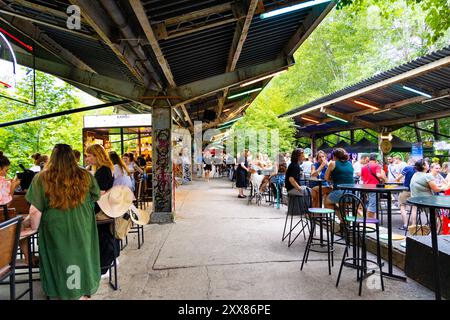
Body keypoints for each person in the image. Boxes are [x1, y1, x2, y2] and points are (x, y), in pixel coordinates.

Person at [26, 144, 101, 300]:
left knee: (61, 261)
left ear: (52, 158)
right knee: (80, 258)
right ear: (72, 158)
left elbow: (34, 211)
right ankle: (80, 294)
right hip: (82, 225)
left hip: (56, 228)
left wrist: (33, 227)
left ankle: (69, 294)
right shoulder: (85, 175)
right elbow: (95, 196)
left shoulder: (42, 178)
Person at [85, 144, 118, 277]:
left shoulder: (103, 170)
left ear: (96, 155)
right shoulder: (103, 168)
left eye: (89, 155)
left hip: (101, 208)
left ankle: (103, 267)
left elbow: (101, 192)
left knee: (102, 236)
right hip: (104, 207)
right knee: (103, 236)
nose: (87, 158)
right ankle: (105, 263)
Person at [410, 159, 450, 228]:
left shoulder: (415, 174)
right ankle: (435, 232)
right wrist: (445, 187)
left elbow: (429, 186)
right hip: (426, 201)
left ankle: (431, 229)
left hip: (415, 200)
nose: (428, 165)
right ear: (424, 166)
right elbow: (436, 189)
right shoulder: (427, 176)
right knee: (441, 214)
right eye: (427, 164)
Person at [324, 148, 354, 213]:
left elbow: (326, 178)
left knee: (327, 202)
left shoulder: (332, 163)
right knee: (341, 204)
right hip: (353, 193)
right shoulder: (350, 164)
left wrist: (332, 180)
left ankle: (341, 218)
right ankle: (343, 221)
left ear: (334, 156)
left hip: (341, 192)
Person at [396, 159, 416, 230]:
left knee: (402, 205)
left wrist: (399, 180)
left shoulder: (407, 168)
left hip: (406, 189)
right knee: (414, 207)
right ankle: (413, 225)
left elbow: (398, 178)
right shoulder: (418, 169)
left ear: (408, 162)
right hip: (415, 191)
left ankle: (405, 225)